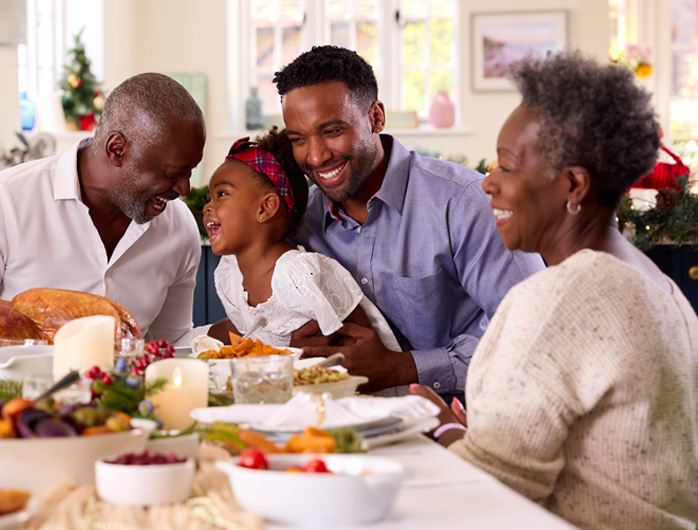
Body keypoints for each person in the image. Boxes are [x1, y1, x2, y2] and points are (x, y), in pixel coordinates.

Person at [410, 51, 698, 529]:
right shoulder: (652, 279)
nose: (488, 183)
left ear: (573, 185)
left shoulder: (557, 299)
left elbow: (486, 494)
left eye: (506, 166)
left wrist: (440, 428)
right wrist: (474, 438)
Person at [273, 46, 545, 396]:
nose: (315, 156)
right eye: (298, 139)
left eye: (332, 131)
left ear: (376, 118)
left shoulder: (465, 202)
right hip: (345, 422)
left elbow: (536, 332)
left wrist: (402, 368)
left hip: (464, 424)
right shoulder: (302, 221)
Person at [0, 73, 206, 358]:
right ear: (116, 149)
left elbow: (172, 343)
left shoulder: (178, 227)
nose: (184, 188)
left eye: (190, 171)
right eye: (172, 173)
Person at [204, 129, 400, 352]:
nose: (207, 207)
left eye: (222, 194)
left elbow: (362, 346)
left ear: (266, 207)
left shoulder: (299, 273)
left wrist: (289, 355)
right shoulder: (231, 273)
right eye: (208, 198)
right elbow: (245, 330)